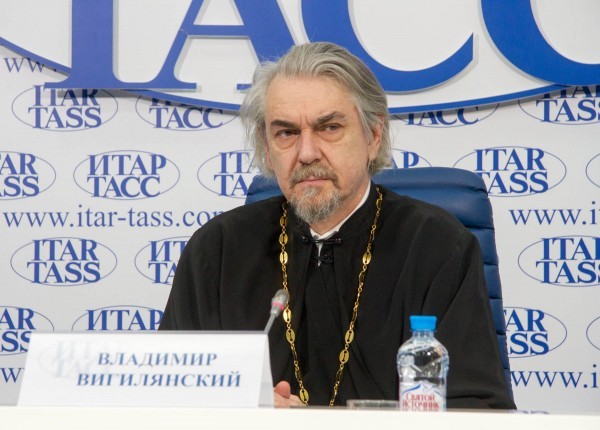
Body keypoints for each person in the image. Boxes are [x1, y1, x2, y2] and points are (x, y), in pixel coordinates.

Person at [159, 42, 516, 409]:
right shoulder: (217, 251)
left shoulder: (437, 246)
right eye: (286, 133)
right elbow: (167, 401)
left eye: (329, 127)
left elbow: (477, 412)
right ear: (267, 148)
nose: (307, 153)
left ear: (373, 136)